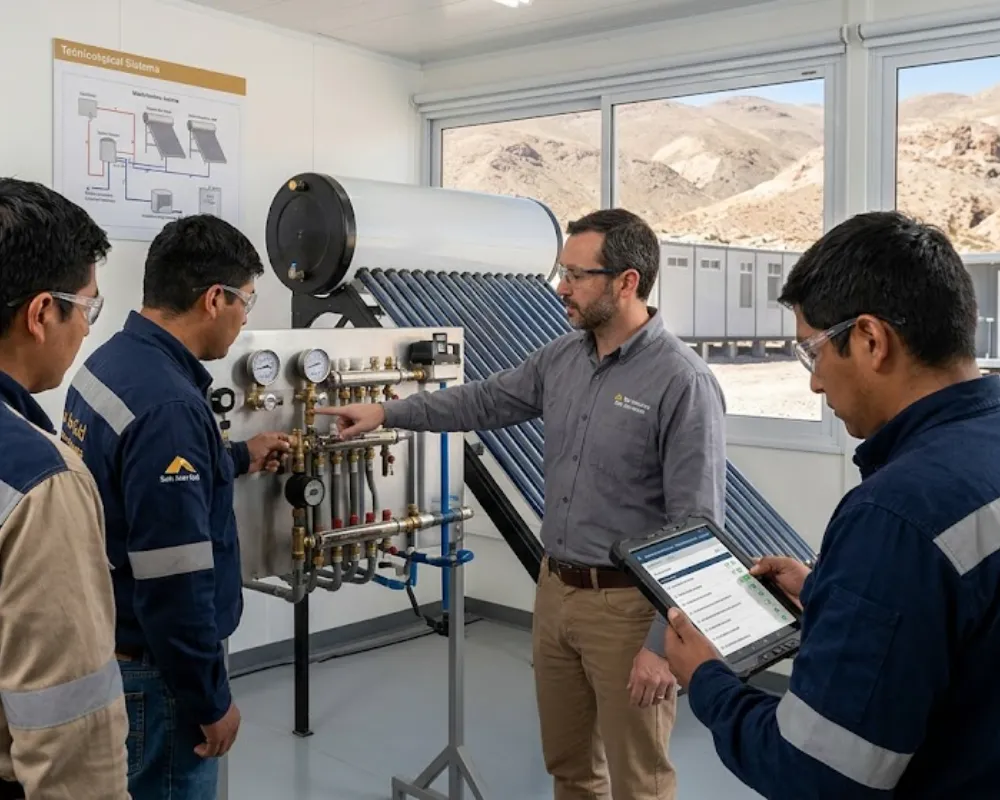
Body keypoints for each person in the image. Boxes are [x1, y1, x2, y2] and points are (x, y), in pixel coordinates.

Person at [318, 209, 727, 799]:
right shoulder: (561, 357)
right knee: (569, 767)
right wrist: (386, 412)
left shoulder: (681, 381)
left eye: (576, 275)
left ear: (627, 282)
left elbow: (697, 525)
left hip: (628, 609)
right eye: (562, 272)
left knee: (639, 782)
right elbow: (482, 402)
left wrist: (662, 646)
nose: (561, 287)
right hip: (556, 591)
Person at [663, 210, 1000, 799]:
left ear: (871, 340)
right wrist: (828, 590)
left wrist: (709, 681)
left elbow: (818, 774)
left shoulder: (894, 515)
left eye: (812, 352)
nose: (815, 383)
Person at [61, 215, 290, 800]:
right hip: (158, 674)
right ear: (215, 299)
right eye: (247, 301)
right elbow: (176, 582)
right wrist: (210, 699)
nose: (246, 319)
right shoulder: (170, 406)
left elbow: (132, 480)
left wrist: (236, 456)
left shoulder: (110, 362)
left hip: (109, 635)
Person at [0, 178, 129, 798]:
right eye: (86, 307)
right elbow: (68, 734)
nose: (86, 330)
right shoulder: (43, 481)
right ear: (40, 313)